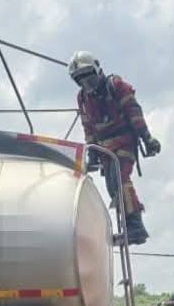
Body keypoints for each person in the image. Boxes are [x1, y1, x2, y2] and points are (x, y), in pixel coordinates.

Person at [68, 51, 160, 245]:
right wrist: (92, 153)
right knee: (112, 186)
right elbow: (88, 126)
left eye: (89, 78)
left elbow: (133, 112)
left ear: (98, 70)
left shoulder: (116, 85)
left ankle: (136, 227)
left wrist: (147, 138)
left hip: (125, 141)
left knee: (120, 179)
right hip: (104, 148)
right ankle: (128, 227)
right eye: (81, 81)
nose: (87, 84)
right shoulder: (83, 98)